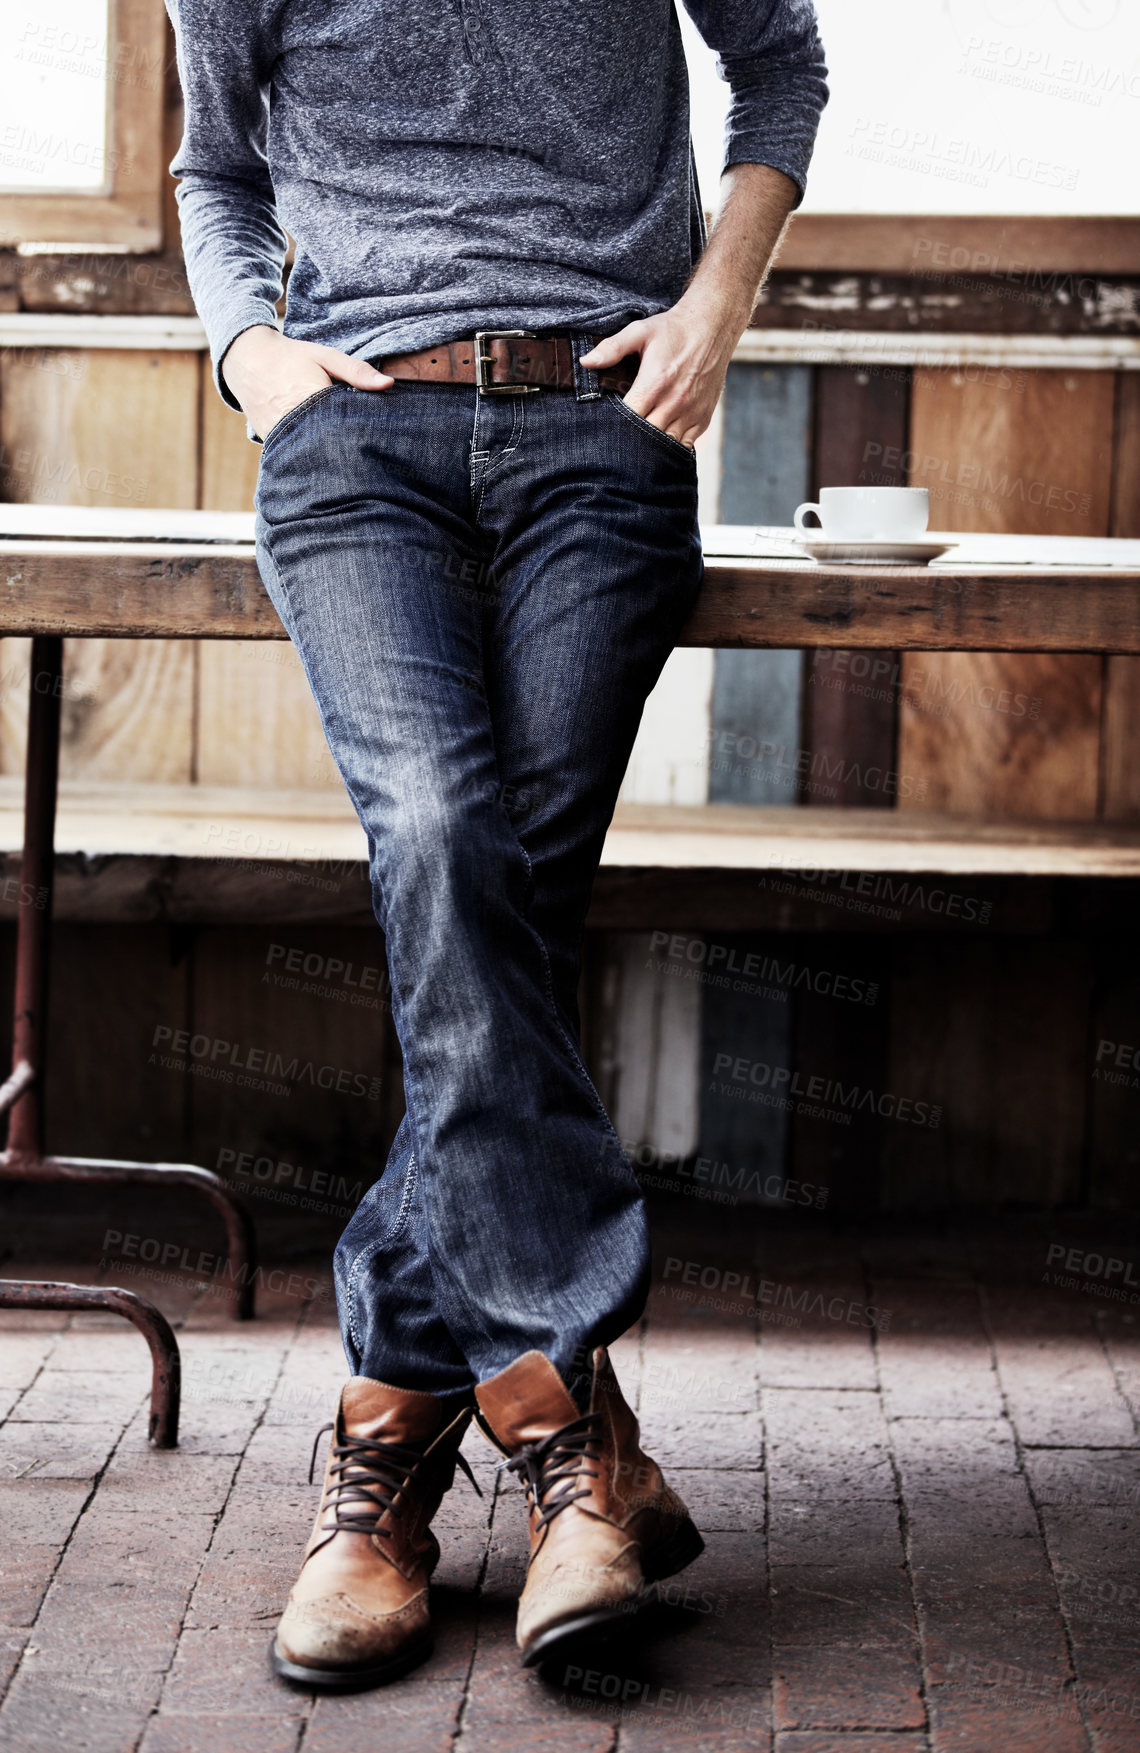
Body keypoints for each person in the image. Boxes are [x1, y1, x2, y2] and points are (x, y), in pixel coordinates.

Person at [165, 0, 827, 1692]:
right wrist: (255, 356)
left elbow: (784, 66)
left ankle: (384, 1458)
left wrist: (718, 302)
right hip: (353, 438)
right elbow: (217, 167)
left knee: (496, 898)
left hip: (602, 428)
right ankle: (562, 1420)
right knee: (449, 839)